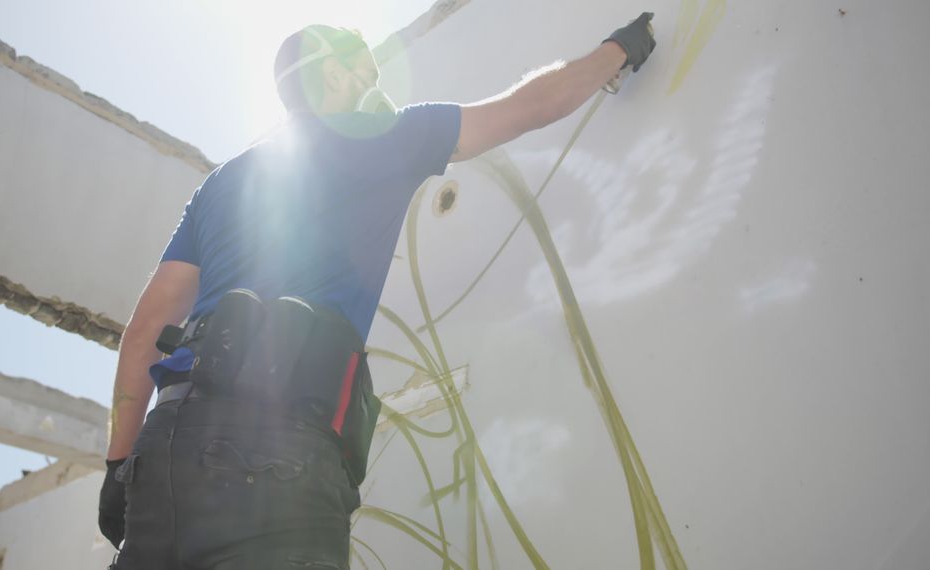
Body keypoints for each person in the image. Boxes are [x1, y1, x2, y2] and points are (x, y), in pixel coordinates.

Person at [98, 13, 655, 570]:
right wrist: (619, 51)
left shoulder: (221, 184)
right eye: (365, 72)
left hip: (166, 448)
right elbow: (534, 105)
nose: (376, 86)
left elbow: (146, 331)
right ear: (333, 78)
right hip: (278, 450)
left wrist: (117, 469)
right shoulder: (386, 137)